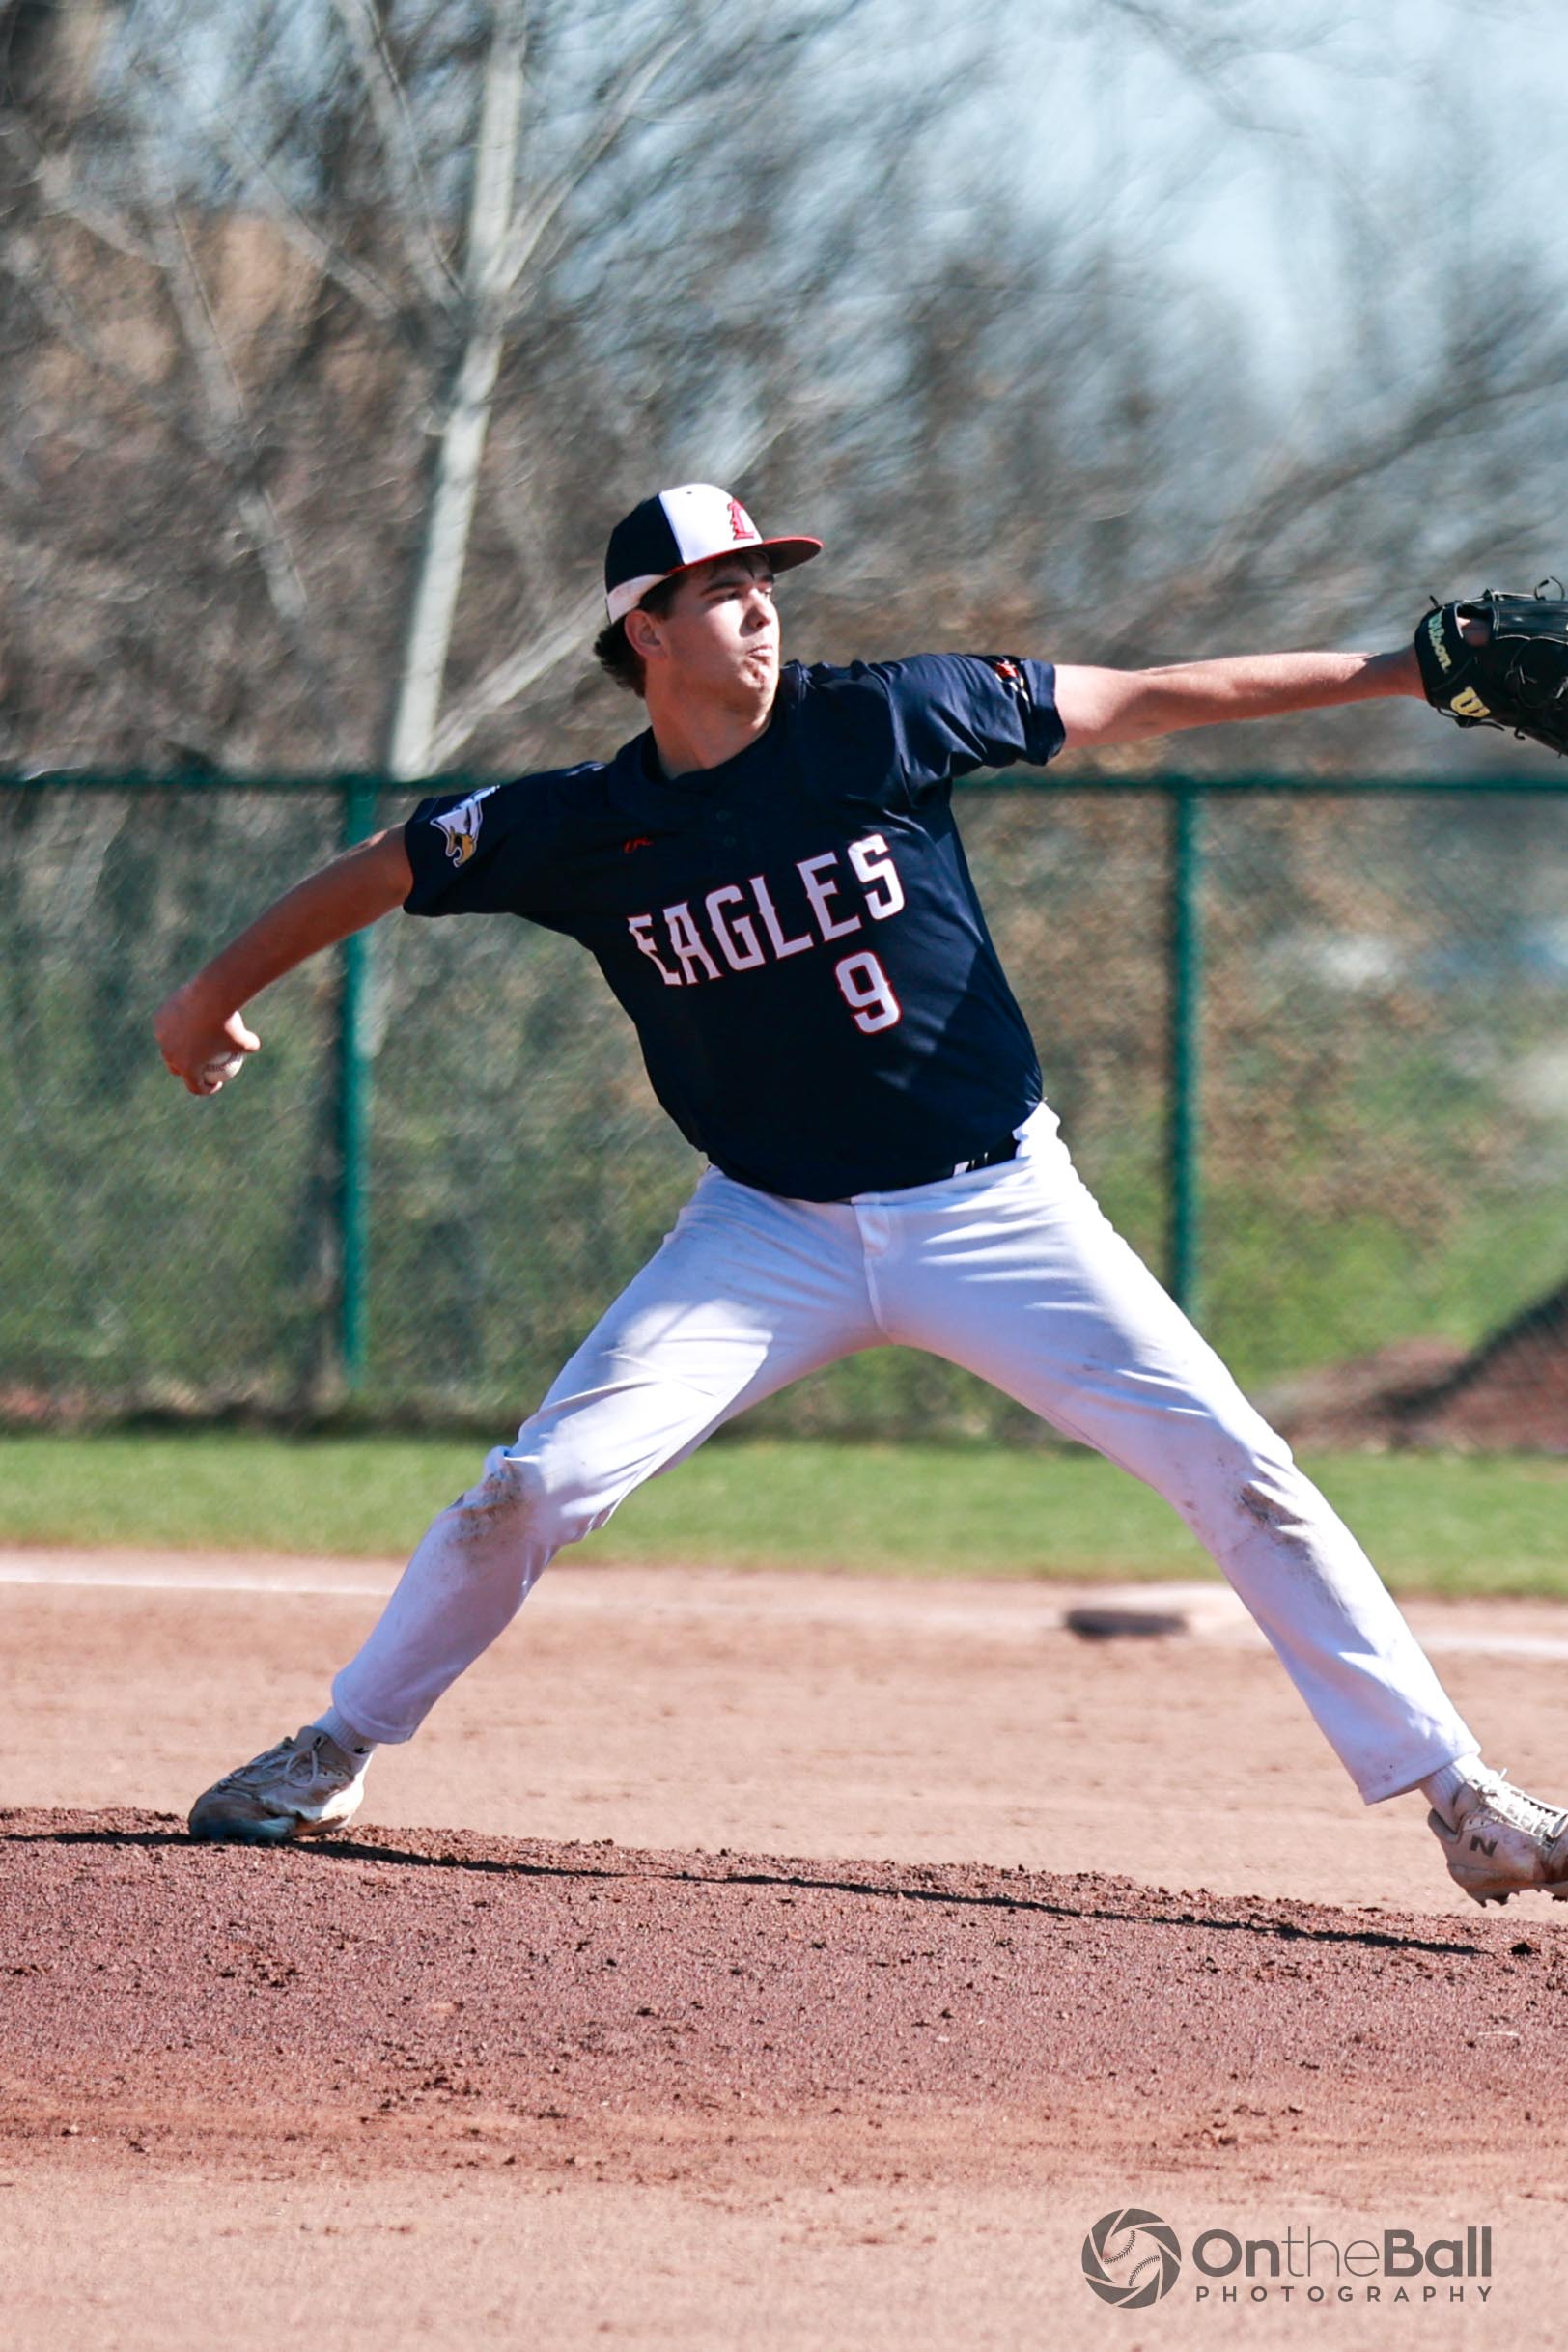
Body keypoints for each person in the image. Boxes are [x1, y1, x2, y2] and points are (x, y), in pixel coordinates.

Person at [154, 481, 1567, 1907]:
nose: (760, 609)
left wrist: (1397, 672)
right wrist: (211, 995)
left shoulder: (886, 718)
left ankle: (1463, 1798)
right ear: (646, 632)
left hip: (997, 1208)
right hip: (765, 1232)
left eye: (767, 582)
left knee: (1241, 1471)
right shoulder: (582, 823)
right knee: (536, 1485)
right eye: (723, 590)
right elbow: (394, 862)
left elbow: (1138, 698)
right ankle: (335, 1747)